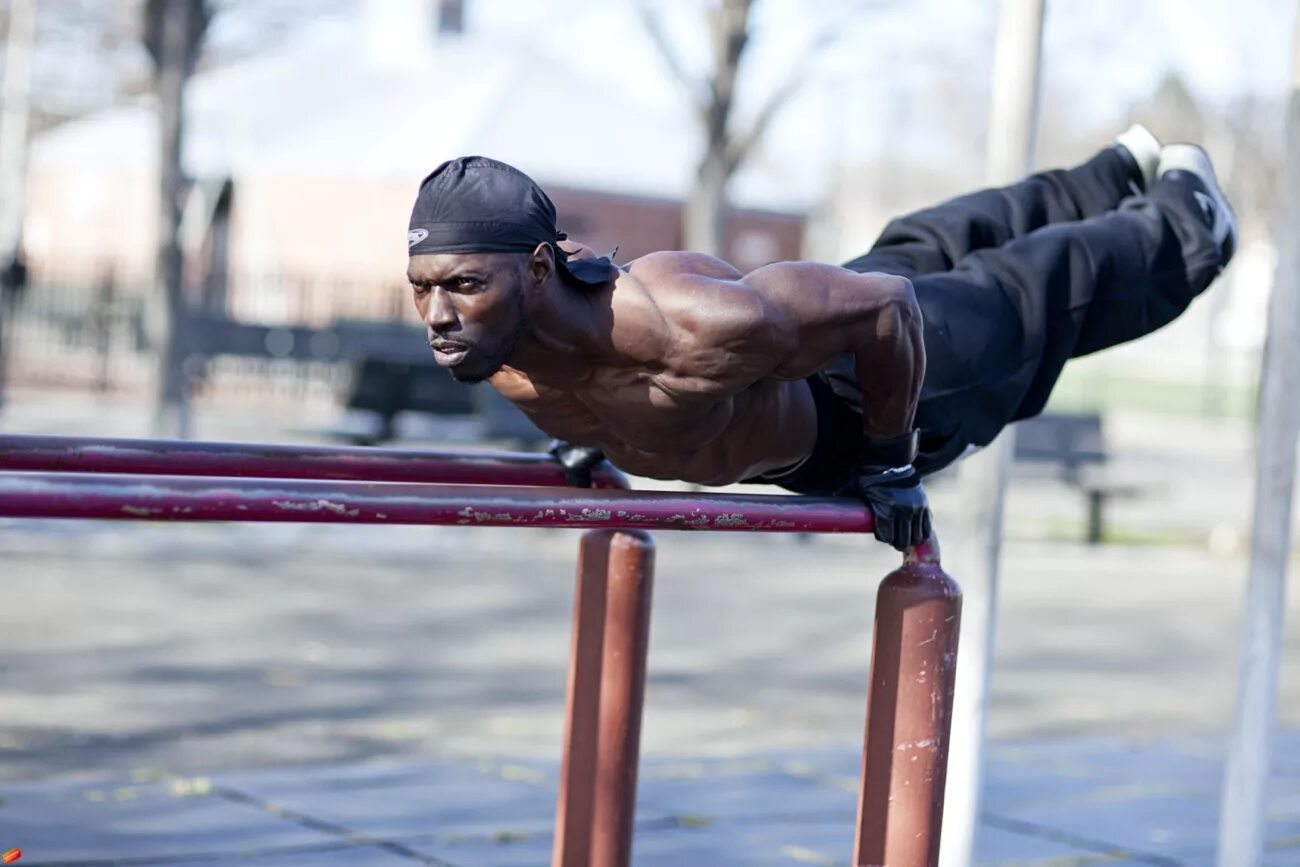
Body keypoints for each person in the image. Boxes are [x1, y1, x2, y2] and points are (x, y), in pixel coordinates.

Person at [404, 125, 1236, 551]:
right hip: (795, 375)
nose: (440, 313)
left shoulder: (686, 324)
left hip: (869, 399)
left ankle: (1187, 223)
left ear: (541, 271)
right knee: (923, 242)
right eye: (424, 289)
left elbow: (884, 313)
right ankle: (1110, 173)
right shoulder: (504, 350)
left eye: (465, 285)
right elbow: (593, 390)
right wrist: (590, 439)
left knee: (1025, 292)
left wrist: (892, 462)